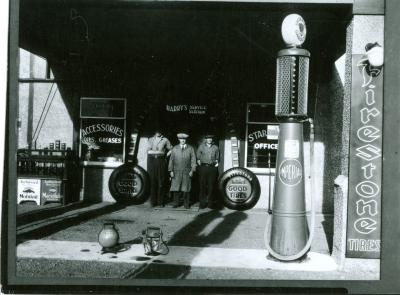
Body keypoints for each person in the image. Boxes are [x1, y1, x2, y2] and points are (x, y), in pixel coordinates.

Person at [168, 133, 196, 209]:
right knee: (176, 187)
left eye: (184, 139)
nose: (182, 140)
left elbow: (193, 160)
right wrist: (171, 171)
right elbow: (171, 160)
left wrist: (192, 170)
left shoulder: (190, 148)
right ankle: (175, 203)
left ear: (186, 140)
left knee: (186, 188)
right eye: (181, 139)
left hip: (187, 171)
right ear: (179, 140)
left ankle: (186, 204)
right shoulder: (175, 148)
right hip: (176, 171)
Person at [147, 129, 172, 207]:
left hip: (161, 161)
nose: (158, 132)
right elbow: (148, 151)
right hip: (152, 161)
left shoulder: (165, 140)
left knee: (161, 182)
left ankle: (160, 202)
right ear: (155, 132)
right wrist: (158, 152)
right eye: (157, 131)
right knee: (152, 181)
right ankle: (153, 202)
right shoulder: (150, 139)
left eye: (159, 131)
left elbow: (171, 149)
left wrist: (165, 156)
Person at [196, 134, 219, 209]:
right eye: (208, 138)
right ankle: (202, 203)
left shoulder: (215, 147)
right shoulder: (201, 147)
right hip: (203, 168)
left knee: (211, 186)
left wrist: (215, 165)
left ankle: (210, 203)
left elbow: (217, 158)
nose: (209, 140)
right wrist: (201, 165)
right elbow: (198, 158)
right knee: (202, 186)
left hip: (212, 169)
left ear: (212, 140)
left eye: (211, 138)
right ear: (205, 139)